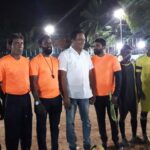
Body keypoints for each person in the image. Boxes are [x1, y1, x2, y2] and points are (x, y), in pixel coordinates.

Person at [59, 30, 95, 150]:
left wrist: (93, 91)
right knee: (70, 123)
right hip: (71, 96)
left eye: (84, 39)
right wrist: (65, 96)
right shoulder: (65, 55)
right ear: (73, 40)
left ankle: (87, 144)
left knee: (87, 122)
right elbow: (62, 77)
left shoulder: (86, 54)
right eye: (79, 39)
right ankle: (72, 146)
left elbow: (90, 73)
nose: (82, 42)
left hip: (85, 95)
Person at [0, 33, 32, 150]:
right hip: (11, 101)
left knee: (26, 131)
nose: (20, 46)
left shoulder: (26, 61)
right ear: (9, 46)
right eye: (16, 43)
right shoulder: (3, 62)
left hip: (26, 99)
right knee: (12, 133)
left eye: (22, 43)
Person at [30, 35, 62, 150]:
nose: (49, 45)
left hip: (57, 99)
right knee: (41, 129)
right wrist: (37, 102)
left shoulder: (56, 60)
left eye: (50, 43)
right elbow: (33, 83)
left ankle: (55, 148)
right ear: (40, 45)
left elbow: (60, 79)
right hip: (42, 100)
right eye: (46, 43)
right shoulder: (35, 61)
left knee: (55, 128)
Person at [91, 38, 122, 150]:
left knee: (114, 120)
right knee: (101, 120)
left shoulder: (112, 59)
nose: (95, 48)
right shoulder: (91, 59)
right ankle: (104, 142)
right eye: (94, 46)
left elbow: (119, 78)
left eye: (97, 46)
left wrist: (116, 95)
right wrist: (92, 94)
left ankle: (116, 141)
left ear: (103, 47)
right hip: (98, 97)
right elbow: (89, 78)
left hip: (111, 97)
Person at [119, 45, 142, 146]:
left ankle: (133, 136)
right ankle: (123, 138)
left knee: (134, 117)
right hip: (123, 97)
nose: (129, 54)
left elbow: (137, 78)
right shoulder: (118, 64)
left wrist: (139, 92)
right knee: (122, 118)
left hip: (133, 96)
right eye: (127, 52)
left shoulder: (133, 63)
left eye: (130, 52)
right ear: (122, 52)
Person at [136, 39, 150, 143]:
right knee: (144, 112)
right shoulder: (140, 59)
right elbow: (137, 77)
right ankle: (144, 133)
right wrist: (140, 91)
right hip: (146, 90)